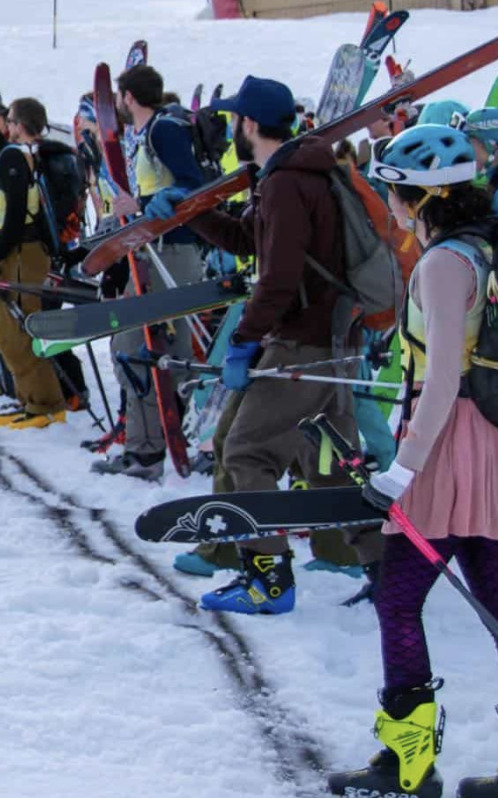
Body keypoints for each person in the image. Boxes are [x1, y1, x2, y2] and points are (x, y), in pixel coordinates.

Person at [327, 124, 498, 798]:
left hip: (448, 448)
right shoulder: (485, 251)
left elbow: (445, 379)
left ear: (423, 199)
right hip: (483, 443)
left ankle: (407, 767)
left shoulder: (444, 264)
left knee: (398, 602)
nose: (391, 207)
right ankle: (407, 764)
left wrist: (404, 469)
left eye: (394, 194)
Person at [161, 76, 370, 615]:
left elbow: (277, 276)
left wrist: (244, 341)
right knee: (329, 462)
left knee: (246, 451)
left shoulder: (284, 183)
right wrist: (193, 213)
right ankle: (387, 567)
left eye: (235, 119)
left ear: (249, 124)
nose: (232, 127)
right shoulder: (299, 174)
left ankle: (268, 579)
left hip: (303, 341)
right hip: (333, 337)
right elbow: (253, 241)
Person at [92, 64, 207, 480]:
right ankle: (156, 442)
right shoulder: (146, 133)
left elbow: (194, 184)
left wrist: (140, 207)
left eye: (120, 98)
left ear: (128, 98)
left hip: (169, 252)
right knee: (149, 351)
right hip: (151, 252)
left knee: (134, 348)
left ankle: (150, 448)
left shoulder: (163, 130)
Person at [0, 101, 66, 430]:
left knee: (21, 332)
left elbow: (17, 216)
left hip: (22, 252)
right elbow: (1, 214)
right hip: (9, 252)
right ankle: (28, 398)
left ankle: (47, 405)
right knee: (5, 336)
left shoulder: (11, 158)